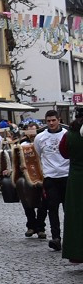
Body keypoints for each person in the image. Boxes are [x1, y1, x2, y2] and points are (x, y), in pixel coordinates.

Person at [34, 110, 68, 251]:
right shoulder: (40, 137)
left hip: (66, 175)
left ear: (58, 120)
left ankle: (70, 238)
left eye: (53, 120)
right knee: (52, 209)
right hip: (50, 177)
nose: (51, 123)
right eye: (48, 121)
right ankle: (56, 238)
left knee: (69, 209)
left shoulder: (66, 134)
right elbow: (38, 155)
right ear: (45, 122)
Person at [59, 110, 82, 264]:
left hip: (76, 179)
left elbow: (64, 153)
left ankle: (77, 252)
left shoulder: (68, 135)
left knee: (76, 216)